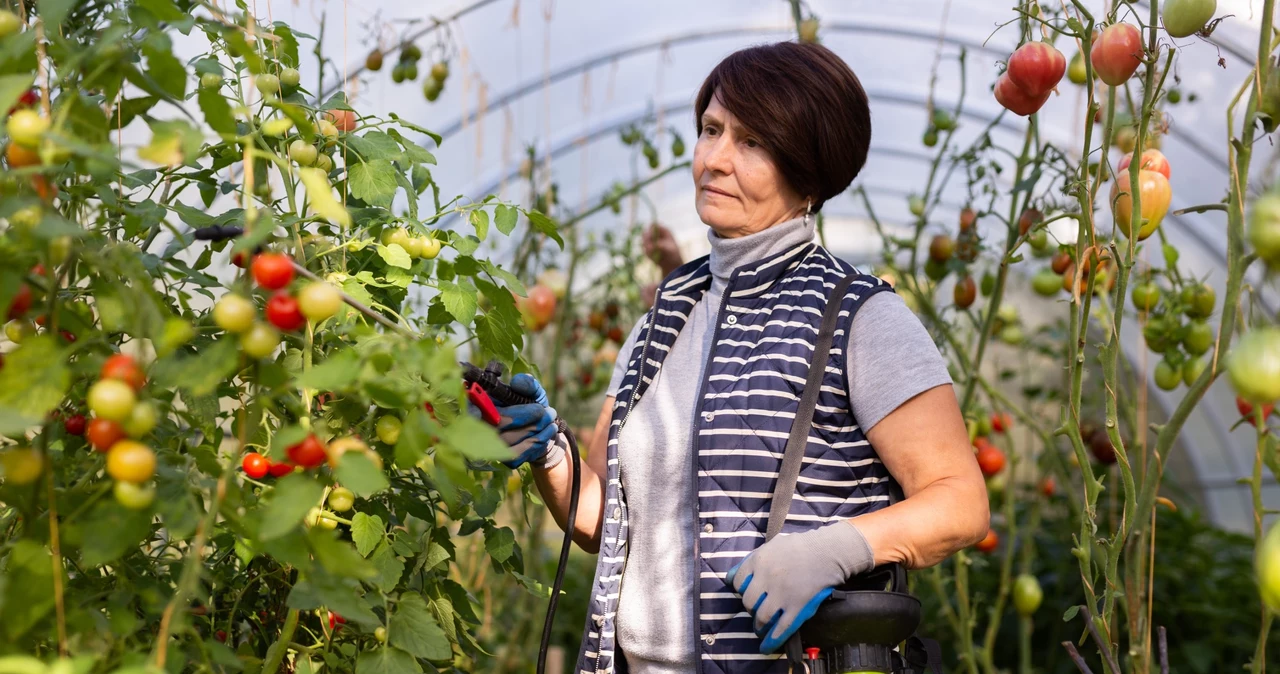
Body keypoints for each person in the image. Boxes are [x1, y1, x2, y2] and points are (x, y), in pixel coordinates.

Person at [491, 41, 989, 674]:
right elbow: (605, 525)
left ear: (807, 172)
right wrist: (551, 457)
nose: (715, 160)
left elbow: (960, 502)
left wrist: (832, 551)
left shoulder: (857, 316)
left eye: (752, 142)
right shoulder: (661, 321)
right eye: (711, 130)